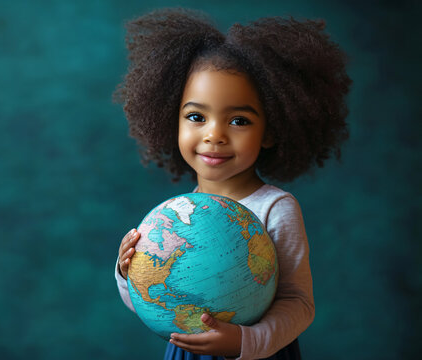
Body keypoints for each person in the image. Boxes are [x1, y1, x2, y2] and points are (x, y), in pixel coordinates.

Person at [113, 8, 351, 360]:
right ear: (170, 119)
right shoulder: (178, 216)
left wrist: (245, 342)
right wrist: (128, 271)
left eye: (238, 120)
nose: (214, 135)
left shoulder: (275, 208)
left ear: (270, 131)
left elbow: (299, 305)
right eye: (196, 116)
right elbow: (152, 304)